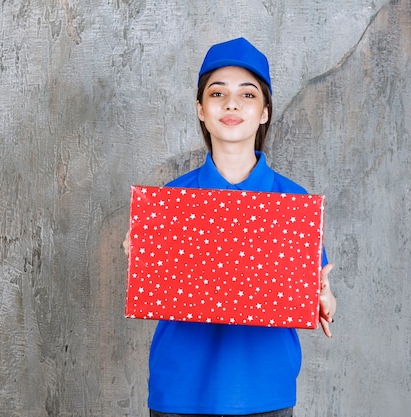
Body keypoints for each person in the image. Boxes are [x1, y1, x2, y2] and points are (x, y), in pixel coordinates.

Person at [123, 37, 337, 417]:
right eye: (217, 92)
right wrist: (142, 257)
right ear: (201, 110)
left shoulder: (294, 202)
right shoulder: (168, 201)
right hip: (180, 390)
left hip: (265, 390)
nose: (232, 103)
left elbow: (314, 287)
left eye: (248, 94)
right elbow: (160, 288)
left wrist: (320, 298)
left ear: (265, 112)